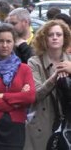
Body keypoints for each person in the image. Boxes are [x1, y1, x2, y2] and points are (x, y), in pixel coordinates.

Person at [24, 20, 71, 150]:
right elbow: (36, 95)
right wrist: (54, 77)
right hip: (42, 123)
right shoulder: (34, 62)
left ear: (65, 38)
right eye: (51, 35)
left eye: (59, 34)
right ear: (44, 39)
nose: (55, 37)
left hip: (68, 123)